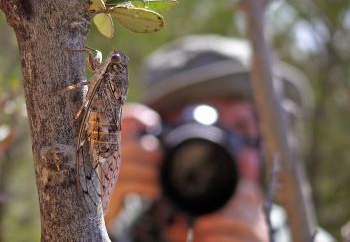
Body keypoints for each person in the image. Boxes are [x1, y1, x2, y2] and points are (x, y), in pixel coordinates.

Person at [103, 35, 326, 242]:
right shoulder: (112, 224)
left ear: (266, 149)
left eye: (241, 129)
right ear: (152, 143)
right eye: (190, 128)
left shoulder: (302, 235)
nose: (213, 149)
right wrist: (88, 209)